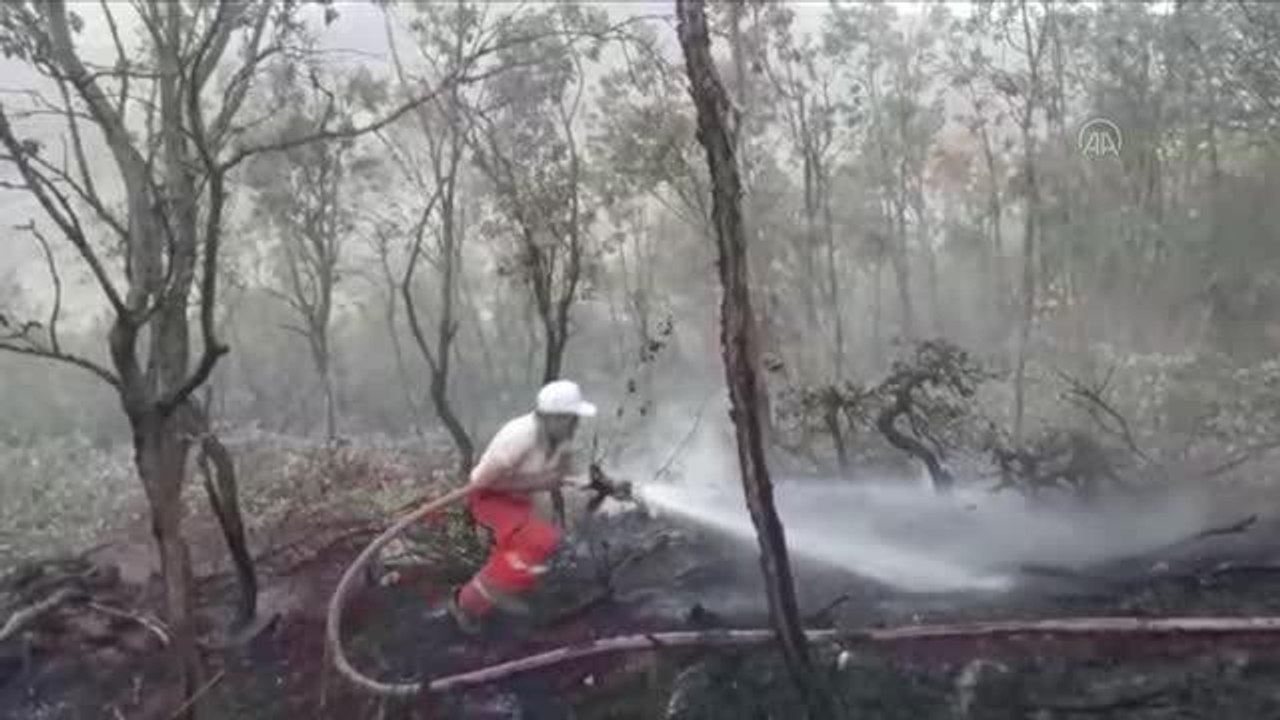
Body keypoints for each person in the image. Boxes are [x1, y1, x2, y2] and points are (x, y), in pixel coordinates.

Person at [447, 379, 629, 634]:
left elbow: (567, 475)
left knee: (544, 543)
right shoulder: (519, 437)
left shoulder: (561, 437)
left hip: (520, 500)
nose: (576, 424)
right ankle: (466, 605)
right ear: (552, 417)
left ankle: (504, 588)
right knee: (531, 542)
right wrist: (539, 481)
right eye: (571, 418)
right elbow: (480, 483)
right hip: (491, 499)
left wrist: (604, 485)